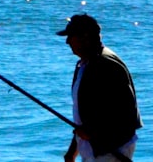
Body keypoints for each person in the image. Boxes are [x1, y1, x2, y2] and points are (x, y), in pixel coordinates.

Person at [59, 13, 142, 162]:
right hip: (94, 149)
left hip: (112, 149)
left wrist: (95, 132)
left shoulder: (106, 64)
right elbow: (83, 116)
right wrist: (72, 151)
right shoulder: (84, 65)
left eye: (71, 36)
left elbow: (125, 112)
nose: (67, 42)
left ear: (85, 37)